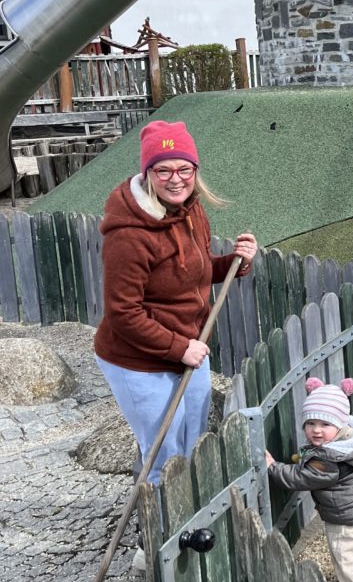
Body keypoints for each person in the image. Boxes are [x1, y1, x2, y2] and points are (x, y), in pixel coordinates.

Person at [95, 120, 257, 489]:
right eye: (163, 169)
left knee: (192, 443)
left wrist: (235, 261)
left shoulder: (190, 211)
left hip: (188, 348)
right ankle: (157, 542)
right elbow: (123, 313)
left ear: (195, 171)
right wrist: (178, 347)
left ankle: (191, 529)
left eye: (184, 168)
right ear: (148, 172)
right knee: (163, 455)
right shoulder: (129, 237)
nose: (175, 178)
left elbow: (192, 274)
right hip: (139, 360)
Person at [266, 378, 353, 582]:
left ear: (340, 424)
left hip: (348, 520)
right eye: (310, 423)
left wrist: (273, 467)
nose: (316, 430)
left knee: (350, 566)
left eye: (325, 424)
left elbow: (300, 478)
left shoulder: (330, 457)